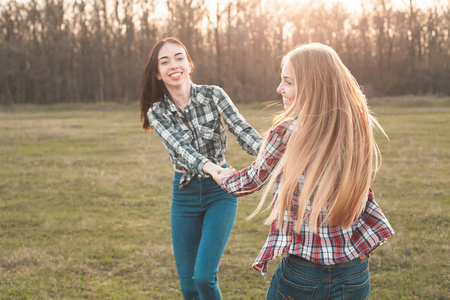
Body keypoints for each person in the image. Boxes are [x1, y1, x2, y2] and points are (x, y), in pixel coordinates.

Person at [214, 43, 394, 300]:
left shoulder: (286, 131)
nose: (279, 89)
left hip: (304, 274)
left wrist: (222, 176)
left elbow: (252, 180)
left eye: (288, 82)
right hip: (355, 271)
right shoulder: (357, 127)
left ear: (313, 86)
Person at [140, 37, 262, 300]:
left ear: (189, 64)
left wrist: (272, 154)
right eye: (165, 61)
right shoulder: (157, 111)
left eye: (179, 57)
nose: (174, 65)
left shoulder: (213, 95)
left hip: (220, 194)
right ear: (159, 74)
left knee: (204, 278)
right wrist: (211, 169)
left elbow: (243, 132)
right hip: (184, 195)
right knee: (188, 287)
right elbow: (181, 149)